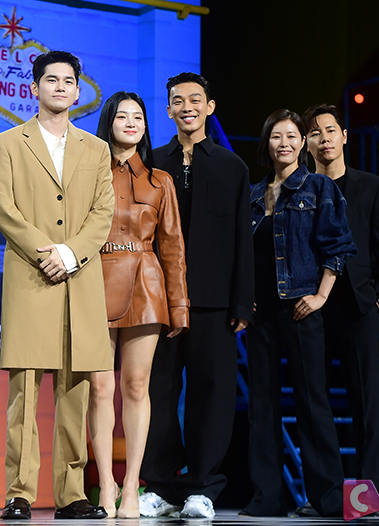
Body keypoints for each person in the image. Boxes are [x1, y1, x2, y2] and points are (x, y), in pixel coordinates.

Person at [0, 51, 114, 521]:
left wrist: (71, 253)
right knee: (24, 391)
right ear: (35, 88)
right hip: (31, 276)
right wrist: (48, 252)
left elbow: (103, 212)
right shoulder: (6, 143)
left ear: (78, 91)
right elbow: (3, 208)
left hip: (79, 279)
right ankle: (19, 493)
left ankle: (72, 494)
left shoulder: (96, 149)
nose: (60, 87)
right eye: (51, 80)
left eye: (68, 81)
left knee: (75, 391)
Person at [138, 72, 254, 519]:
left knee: (213, 395)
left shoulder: (232, 167)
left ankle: (203, 488)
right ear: (168, 109)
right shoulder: (152, 162)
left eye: (195, 99)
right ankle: (160, 486)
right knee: (159, 391)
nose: (186, 106)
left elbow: (242, 239)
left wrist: (242, 301)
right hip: (159, 300)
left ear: (210, 107)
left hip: (214, 303)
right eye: (177, 100)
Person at [242, 109, 356, 518]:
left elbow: (338, 245)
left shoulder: (319, 187)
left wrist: (322, 295)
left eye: (292, 136)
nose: (284, 143)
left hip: (302, 309)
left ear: (303, 143)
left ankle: (328, 498)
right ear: (267, 143)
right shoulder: (253, 194)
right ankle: (266, 498)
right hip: (261, 314)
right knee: (262, 406)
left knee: (313, 402)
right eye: (277, 136)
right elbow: (243, 254)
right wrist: (245, 297)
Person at [88, 92, 189, 518]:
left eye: (138, 117)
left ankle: (132, 485)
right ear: (108, 122)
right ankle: (106, 484)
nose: (131, 122)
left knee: (135, 385)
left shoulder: (160, 180)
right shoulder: (88, 174)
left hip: (146, 285)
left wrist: (179, 306)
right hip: (95, 282)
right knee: (99, 387)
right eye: (122, 116)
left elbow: (173, 247)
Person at [303, 104, 379, 495]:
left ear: (343, 136)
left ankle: (364, 495)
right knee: (314, 405)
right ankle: (323, 495)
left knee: (366, 407)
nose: (324, 139)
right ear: (306, 143)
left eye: (330, 131)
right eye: (315, 133)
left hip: (359, 307)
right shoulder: (299, 188)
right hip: (310, 310)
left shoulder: (371, 186)